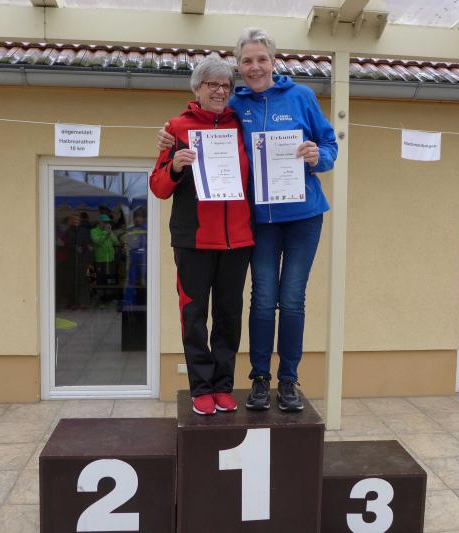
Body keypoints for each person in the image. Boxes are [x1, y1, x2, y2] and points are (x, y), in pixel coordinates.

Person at [157, 28, 337, 412]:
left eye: (262, 59)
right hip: (258, 221)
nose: (255, 67)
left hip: (301, 216)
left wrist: (317, 156)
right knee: (262, 299)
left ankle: (287, 380)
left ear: (273, 61)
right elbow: (199, 120)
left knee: (291, 300)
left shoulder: (301, 97)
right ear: (239, 66)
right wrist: (168, 140)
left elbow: (329, 145)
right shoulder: (233, 107)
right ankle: (258, 379)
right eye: (247, 61)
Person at [150, 53, 255, 416]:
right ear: (197, 88)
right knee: (194, 316)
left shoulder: (242, 125)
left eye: (226, 85)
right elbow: (158, 187)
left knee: (228, 315)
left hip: (237, 240)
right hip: (193, 240)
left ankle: (223, 386)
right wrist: (175, 167)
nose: (220, 91)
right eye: (213, 84)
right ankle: (201, 388)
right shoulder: (177, 128)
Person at [91, 213, 120, 305]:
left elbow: (116, 242)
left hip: (110, 259)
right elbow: (97, 241)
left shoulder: (109, 231)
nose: (106, 223)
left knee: (109, 279)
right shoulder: (94, 231)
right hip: (100, 259)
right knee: (100, 280)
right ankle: (100, 300)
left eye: (107, 222)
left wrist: (110, 233)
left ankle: (108, 299)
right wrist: (106, 233)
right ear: (99, 222)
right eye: (104, 222)